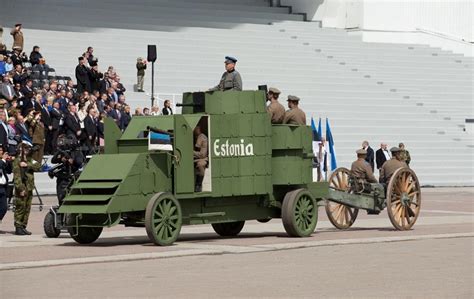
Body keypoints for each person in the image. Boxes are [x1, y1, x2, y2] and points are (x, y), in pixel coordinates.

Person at [13, 141, 41, 235]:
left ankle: (23, 226)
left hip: (29, 187)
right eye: (25, 148)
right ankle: (18, 226)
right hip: (22, 188)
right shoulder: (17, 161)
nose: (27, 150)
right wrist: (20, 189)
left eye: (28, 149)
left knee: (27, 207)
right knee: (20, 207)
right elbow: (17, 178)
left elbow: (38, 166)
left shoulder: (29, 160)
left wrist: (28, 165)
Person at [51, 136, 84, 204]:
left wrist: (72, 161)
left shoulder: (77, 152)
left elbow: (79, 162)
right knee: (61, 197)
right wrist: (60, 159)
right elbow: (53, 160)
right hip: (63, 178)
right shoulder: (62, 151)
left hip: (72, 177)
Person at [193, 125, 208, 192]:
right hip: (200, 157)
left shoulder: (201, 137)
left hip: (204, 158)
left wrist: (191, 152)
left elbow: (202, 154)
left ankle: (198, 185)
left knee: (200, 165)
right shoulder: (198, 137)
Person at [0, 146, 13, 225]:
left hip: (3, 187)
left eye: (1, 150)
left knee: (4, 207)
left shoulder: (3, 162)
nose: (1, 152)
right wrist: (3, 160)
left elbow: (9, 171)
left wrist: (9, 161)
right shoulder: (1, 162)